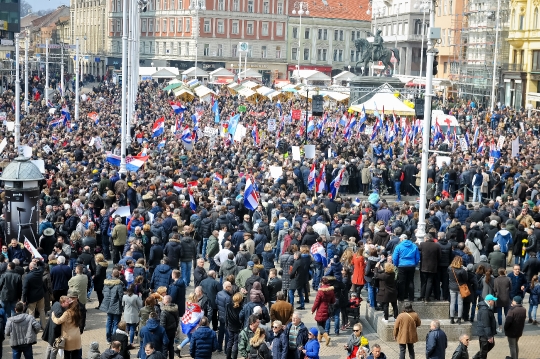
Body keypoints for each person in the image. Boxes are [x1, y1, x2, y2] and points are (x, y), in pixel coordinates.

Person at [100, 269, 124, 343]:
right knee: (116, 322)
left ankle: (108, 338)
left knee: (109, 321)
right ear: (118, 276)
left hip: (108, 305)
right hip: (116, 305)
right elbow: (121, 296)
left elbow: (103, 292)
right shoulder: (119, 284)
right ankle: (114, 338)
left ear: (112, 275)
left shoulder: (106, 283)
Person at [392, 236, 420, 302]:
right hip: (411, 265)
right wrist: (414, 263)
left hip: (401, 265)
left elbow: (395, 258)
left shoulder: (398, 246)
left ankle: (401, 298)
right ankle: (411, 298)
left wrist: (396, 264)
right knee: (410, 281)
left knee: (401, 282)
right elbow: (417, 257)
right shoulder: (414, 246)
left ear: (401, 239)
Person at [311, 276, 335, 346]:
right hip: (327, 308)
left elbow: (316, 302)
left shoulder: (320, 291)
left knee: (319, 325)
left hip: (321, 308)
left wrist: (313, 310)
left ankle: (326, 336)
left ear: (321, 282)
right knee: (323, 323)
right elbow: (333, 301)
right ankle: (319, 338)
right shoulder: (331, 290)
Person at [22, 259, 46, 328]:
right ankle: (44, 326)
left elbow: (25, 289)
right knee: (42, 311)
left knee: (31, 312)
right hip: (40, 295)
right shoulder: (40, 272)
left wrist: (23, 300)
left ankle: (32, 327)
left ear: (30, 268)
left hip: (32, 297)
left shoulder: (28, 276)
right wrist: (38, 261)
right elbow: (43, 265)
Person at [475, 294, 497, 359]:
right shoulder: (485, 311)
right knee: (484, 352)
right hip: (484, 334)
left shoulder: (485, 308)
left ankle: (476, 357)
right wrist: (489, 336)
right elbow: (486, 324)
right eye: (493, 301)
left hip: (484, 333)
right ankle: (476, 357)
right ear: (489, 301)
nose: (494, 302)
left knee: (485, 349)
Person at [448, 256, 468, 324]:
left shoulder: (450, 268)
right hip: (460, 287)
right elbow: (466, 279)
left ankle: (452, 318)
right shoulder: (462, 270)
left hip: (452, 287)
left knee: (452, 303)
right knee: (460, 303)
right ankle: (459, 318)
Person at [493, 267, 511, 333]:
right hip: (506, 297)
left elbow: (494, 289)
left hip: (498, 298)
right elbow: (511, 288)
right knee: (507, 313)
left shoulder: (496, 280)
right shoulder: (508, 279)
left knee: (499, 314)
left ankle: (500, 327)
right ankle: (508, 327)